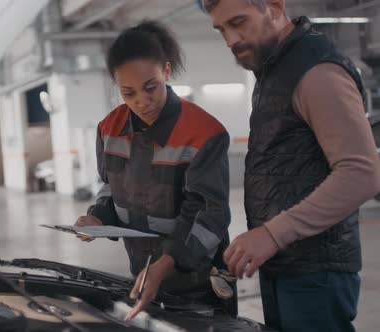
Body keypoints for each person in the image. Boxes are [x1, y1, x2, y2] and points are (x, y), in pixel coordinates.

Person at [203, 0, 380, 331]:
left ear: (273, 5)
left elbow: (362, 174)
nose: (230, 40)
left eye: (238, 22)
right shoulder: (275, 70)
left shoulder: (316, 71)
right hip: (286, 265)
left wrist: (272, 233)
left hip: (316, 272)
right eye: (221, 30)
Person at [74, 20, 234, 320]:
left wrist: (167, 261)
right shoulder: (109, 129)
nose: (141, 102)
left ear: (167, 72)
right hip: (144, 273)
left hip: (198, 279)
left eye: (151, 88)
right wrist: (98, 217)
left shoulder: (203, 133)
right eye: (128, 92)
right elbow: (111, 186)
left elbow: (208, 214)